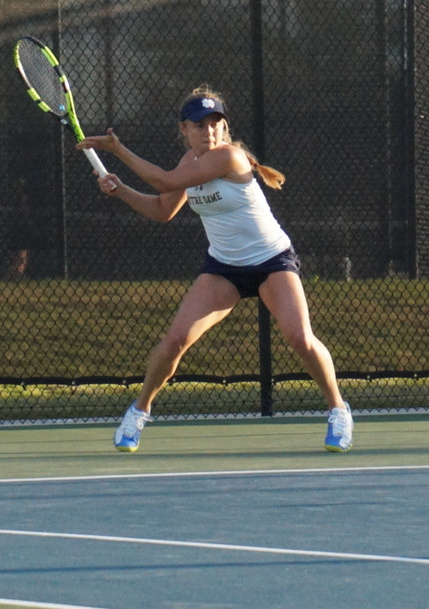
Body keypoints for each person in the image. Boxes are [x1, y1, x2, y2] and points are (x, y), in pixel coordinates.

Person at [77, 85, 353, 453]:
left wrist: (118, 150)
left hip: (272, 261)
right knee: (175, 341)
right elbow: (162, 209)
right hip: (224, 268)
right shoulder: (188, 164)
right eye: (199, 124)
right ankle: (138, 412)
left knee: (300, 338)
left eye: (215, 123)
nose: (209, 130)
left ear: (224, 127)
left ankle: (338, 410)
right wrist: (122, 191)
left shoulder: (230, 157)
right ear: (184, 130)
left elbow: (163, 181)